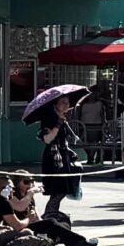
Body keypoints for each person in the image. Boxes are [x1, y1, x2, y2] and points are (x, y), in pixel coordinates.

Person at [35, 95, 85, 225]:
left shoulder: (62, 119)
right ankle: (48, 219)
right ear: (55, 104)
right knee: (58, 190)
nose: (66, 105)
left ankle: (52, 218)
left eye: (67, 103)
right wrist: (58, 124)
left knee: (61, 190)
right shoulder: (49, 118)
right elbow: (47, 139)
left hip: (63, 157)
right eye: (62, 102)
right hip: (53, 158)